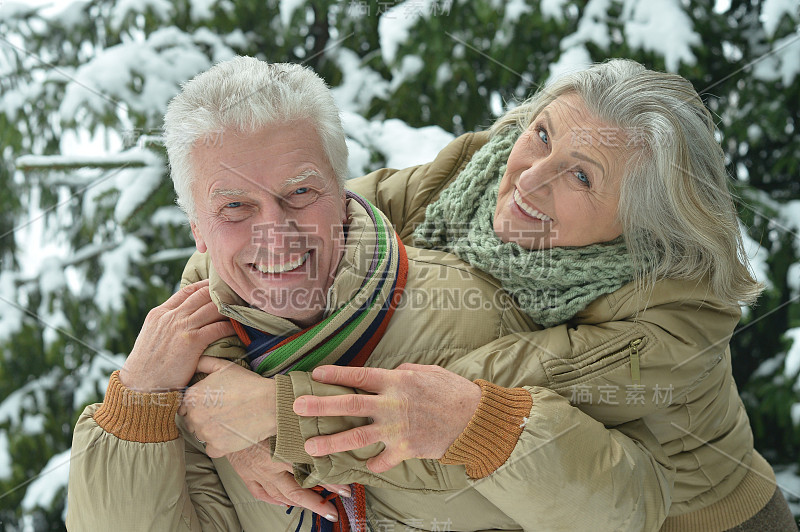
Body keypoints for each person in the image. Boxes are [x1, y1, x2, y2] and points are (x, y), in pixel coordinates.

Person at [183, 60, 798, 531]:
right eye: (542, 135)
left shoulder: (667, 320)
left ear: (642, 219)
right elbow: (280, 229)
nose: (531, 175)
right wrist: (221, 389)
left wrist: (270, 417)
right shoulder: (470, 176)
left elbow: (441, 399)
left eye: (582, 175)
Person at [67, 57, 661, 531]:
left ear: (342, 188)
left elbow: (630, 506)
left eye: (300, 193)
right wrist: (136, 408)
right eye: (235, 207)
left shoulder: (471, 310)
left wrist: (475, 428)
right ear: (196, 229)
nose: (276, 233)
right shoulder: (184, 385)